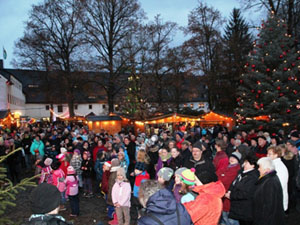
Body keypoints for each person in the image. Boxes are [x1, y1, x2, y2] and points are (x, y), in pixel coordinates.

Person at [228, 153, 259, 225]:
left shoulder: (253, 177)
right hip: (238, 209)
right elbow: (233, 183)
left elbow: (245, 193)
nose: (244, 164)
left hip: (245, 210)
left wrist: (231, 195)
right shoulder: (241, 173)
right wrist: (230, 190)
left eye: (247, 162)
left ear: (252, 165)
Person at [253, 157, 285, 225]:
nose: (258, 169)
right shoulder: (268, 179)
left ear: (267, 169)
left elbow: (269, 206)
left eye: (260, 167)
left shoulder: (270, 182)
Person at [217, 152, 241, 225]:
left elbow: (225, 180)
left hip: (230, 202)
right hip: (222, 199)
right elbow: (217, 175)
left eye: (234, 158)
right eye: (231, 157)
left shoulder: (237, 170)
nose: (232, 159)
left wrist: (222, 176)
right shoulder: (226, 167)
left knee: (230, 221)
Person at [267, 146, 289, 211]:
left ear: (276, 155)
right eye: (267, 153)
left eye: (269, 154)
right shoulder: (272, 165)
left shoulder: (280, 167)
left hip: (277, 199)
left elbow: (279, 185)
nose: (267, 155)